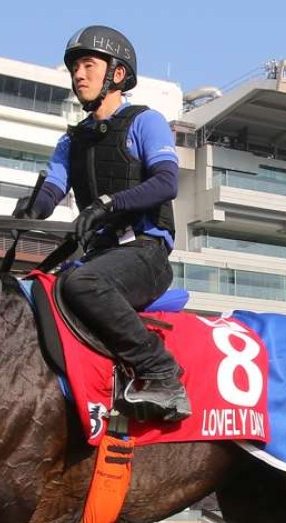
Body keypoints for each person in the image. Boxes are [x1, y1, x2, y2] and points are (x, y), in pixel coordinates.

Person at [15, 25, 189, 422]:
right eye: (75, 67)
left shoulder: (146, 122)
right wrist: (30, 210)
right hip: (99, 257)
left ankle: (160, 372)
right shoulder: (70, 142)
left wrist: (107, 205)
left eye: (88, 65)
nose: (79, 74)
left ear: (118, 74)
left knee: (81, 284)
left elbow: (167, 182)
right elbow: (51, 192)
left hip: (145, 255)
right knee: (28, 291)